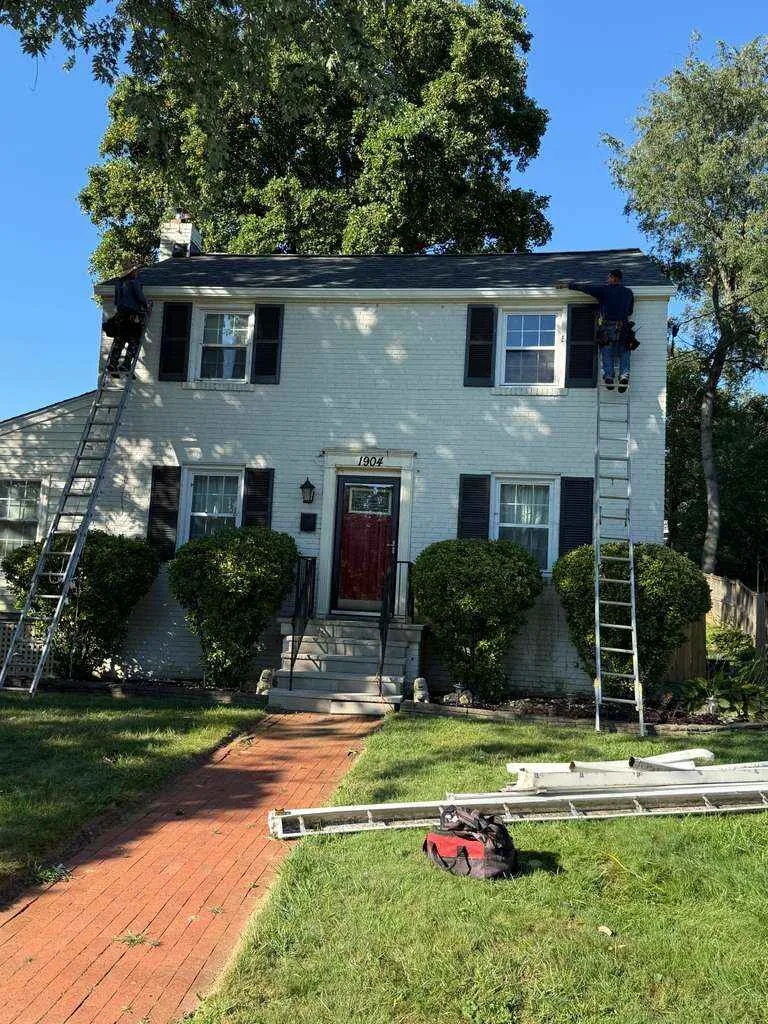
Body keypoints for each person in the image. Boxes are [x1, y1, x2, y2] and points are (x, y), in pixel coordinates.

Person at [556, 269, 635, 392]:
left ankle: (609, 376)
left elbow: (586, 288)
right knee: (625, 351)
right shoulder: (628, 293)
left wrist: (568, 285)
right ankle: (624, 376)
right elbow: (630, 311)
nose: (607, 279)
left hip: (608, 326)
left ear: (612, 278)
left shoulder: (604, 290)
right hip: (623, 327)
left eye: (609, 277)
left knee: (606, 350)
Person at [105, 266, 152, 375]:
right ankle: (126, 364)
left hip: (120, 317)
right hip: (131, 317)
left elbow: (116, 301)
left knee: (119, 340)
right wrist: (147, 304)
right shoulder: (133, 282)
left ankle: (113, 363)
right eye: (136, 271)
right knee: (133, 340)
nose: (137, 273)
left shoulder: (119, 284)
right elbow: (140, 297)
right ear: (132, 273)